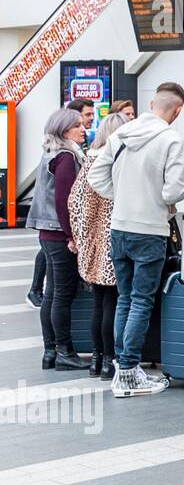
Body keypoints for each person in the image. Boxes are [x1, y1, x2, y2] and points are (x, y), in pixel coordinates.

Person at [88, 82, 184, 399]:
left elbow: (95, 177)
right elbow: (172, 192)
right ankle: (129, 372)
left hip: (119, 228)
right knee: (142, 301)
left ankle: (123, 367)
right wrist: (169, 198)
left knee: (125, 298)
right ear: (177, 110)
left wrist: (122, 197)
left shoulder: (120, 135)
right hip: (150, 230)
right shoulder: (172, 139)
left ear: (151, 103)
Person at [69, 112, 128, 380]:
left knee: (99, 302)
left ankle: (96, 358)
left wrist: (81, 239)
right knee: (114, 302)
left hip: (93, 242)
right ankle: (110, 360)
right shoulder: (118, 161)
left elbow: (76, 203)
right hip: (115, 238)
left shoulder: (89, 161)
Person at [29, 108, 87, 371]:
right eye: (77, 125)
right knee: (62, 293)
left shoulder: (50, 152)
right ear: (64, 131)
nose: (83, 128)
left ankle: (50, 351)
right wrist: (71, 235)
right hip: (58, 232)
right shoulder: (65, 157)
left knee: (52, 293)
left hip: (47, 232)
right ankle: (64, 351)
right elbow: (65, 201)